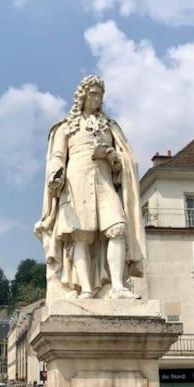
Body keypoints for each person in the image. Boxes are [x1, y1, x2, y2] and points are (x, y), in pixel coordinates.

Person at [34, 75, 145, 301]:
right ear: (83, 96)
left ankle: (116, 286)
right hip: (76, 183)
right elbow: (57, 156)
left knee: (117, 227)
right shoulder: (66, 127)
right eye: (93, 94)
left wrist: (113, 157)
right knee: (80, 236)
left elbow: (125, 162)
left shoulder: (110, 127)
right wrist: (55, 174)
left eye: (100, 95)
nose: (97, 98)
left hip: (104, 182)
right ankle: (85, 289)